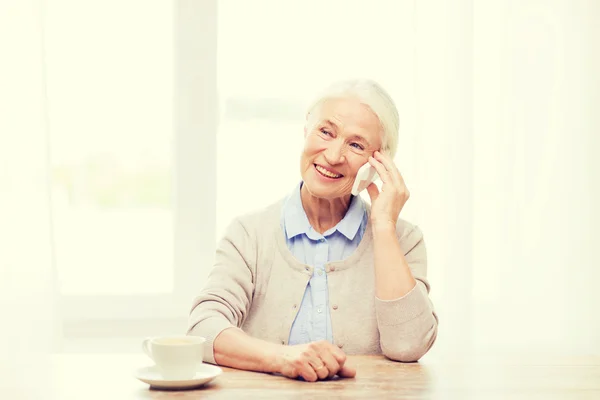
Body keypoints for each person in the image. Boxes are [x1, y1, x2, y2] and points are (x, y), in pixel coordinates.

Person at [187, 79, 438, 382]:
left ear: (378, 162)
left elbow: (409, 346)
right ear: (306, 130)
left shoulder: (404, 240)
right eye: (326, 132)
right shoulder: (248, 234)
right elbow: (203, 329)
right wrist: (282, 359)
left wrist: (384, 227)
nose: (333, 156)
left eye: (356, 145)